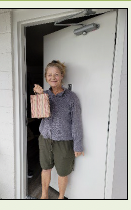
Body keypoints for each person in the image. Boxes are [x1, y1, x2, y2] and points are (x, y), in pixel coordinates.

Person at [33, 60, 83, 199]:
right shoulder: (45, 95)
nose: (53, 77)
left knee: (62, 172)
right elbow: (39, 116)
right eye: (49, 75)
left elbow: (76, 122)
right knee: (45, 168)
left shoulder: (71, 97)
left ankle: (61, 198)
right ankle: (44, 196)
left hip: (64, 141)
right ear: (46, 77)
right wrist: (40, 96)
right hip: (45, 139)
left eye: (56, 74)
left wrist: (78, 145)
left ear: (62, 76)